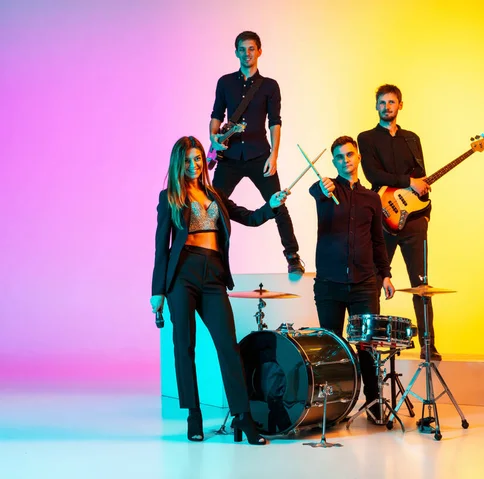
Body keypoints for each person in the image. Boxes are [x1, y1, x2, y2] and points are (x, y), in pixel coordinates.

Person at [150, 135, 291, 444]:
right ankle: (194, 415)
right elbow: (162, 248)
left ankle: (243, 417)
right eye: (187, 160)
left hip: (214, 274)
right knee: (184, 347)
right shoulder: (170, 197)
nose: (193, 164)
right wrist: (157, 292)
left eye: (198, 158)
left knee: (228, 346)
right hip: (182, 275)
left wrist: (273, 206)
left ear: (204, 160)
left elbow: (252, 218)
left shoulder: (216, 196)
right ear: (179, 164)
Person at [309, 136, 395, 422]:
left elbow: (377, 241)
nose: (345, 160)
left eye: (349, 155)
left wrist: (385, 275)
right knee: (332, 349)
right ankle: (334, 407)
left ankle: (373, 405)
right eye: (339, 157)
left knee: (366, 346)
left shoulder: (372, 198)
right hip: (329, 285)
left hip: (364, 284)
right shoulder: (326, 190)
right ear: (334, 162)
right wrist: (322, 186)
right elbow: (314, 189)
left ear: (357, 157)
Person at [358, 84, 442, 361]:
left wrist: (428, 209)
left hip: (415, 220)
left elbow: (422, 178)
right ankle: (370, 343)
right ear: (376, 106)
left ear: (400, 105)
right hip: (383, 216)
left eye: (391, 102)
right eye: (382, 102)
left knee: (422, 284)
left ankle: (428, 344)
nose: (386, 107)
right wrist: (408, 182)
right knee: (373, 279)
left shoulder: (411, 138)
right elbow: (373, 174)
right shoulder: (367, 138)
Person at [209, 30, 304, 275]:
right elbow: (216, 116)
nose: (247, 53)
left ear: (259, 51)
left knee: (278, 204)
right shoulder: (225, 82)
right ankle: (211, 258)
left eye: (251, 48)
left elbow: (275, 121)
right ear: (236, 52)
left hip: (260, 154)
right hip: (229, 157)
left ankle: (293, 257)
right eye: (242, 49)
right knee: (213, 206)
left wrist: (274, 155)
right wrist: (213, 138)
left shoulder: (270, 86)